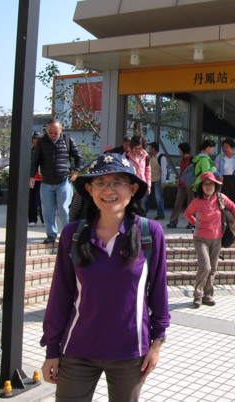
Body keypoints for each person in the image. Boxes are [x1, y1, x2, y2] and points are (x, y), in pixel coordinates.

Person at [40, 153, 170, 401]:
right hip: (77, 350)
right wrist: (52, 350)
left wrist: (157, 343)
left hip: (130, 352)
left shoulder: (149, 233)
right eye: (100, 182)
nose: (108, 190)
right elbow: (60, 295)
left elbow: (158, 292)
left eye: (117, 182)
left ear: (132, 188)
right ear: (89, 189)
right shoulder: (73, 234)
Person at [184, 172, 235, 308]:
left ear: (215, 185)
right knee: (205, 267)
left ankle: (208, 296)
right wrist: (196, 222)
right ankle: (198, 296)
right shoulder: (197, 202)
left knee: (213, 269)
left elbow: (233, 206)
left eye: (211, 184)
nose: (208, 186)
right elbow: (187, 214)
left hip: (217, 238)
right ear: (201, 187)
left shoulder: (220, 198)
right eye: (205, 184)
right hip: (200, 239)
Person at [30, 119, 83, 244]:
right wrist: (31, 176)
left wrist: (76, 171)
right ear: (46, 130)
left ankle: (68, 234)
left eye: (56, 132)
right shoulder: (41, 142)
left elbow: (79, 158)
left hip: (63, 180)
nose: (53, 135)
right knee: (47, 210)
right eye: (50, 132)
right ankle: (51, 235)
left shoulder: (68, 140)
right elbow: (34, 161)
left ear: (61, 130)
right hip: (46, 181)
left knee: (64, 209)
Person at [167, 142, 195, 229]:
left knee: (191, 204)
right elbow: (182, 172)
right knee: (177, 204)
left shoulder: (193, 160)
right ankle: (173, 222)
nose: (179, 151)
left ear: (183, 150)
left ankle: (192, 222)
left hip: (190, 185)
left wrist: (192, 183)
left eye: (180, 150)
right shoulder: (182, 160)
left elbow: (194, 173)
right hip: (181, 185)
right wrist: (179, 180)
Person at [124, 134, 151, 215]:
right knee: (131, 207)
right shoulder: (126, 155)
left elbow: (148, 171)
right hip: (129, 185)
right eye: (135, 148)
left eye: (140, 148)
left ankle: (139, 222)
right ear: (132, 146)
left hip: (141, 184)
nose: (137, 150)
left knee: (141, 208)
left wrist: (148, 186)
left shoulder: (146, 156)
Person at [214, 138, 235, 205]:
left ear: (232, 148)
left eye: (226, 147)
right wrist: (218, 175)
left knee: (234, 199)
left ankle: (232, 211)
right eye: (223, 147)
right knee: (223, 199)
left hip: (234, 180)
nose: (224, 149)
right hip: (223, 180)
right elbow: (214, 169)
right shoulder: (219, 157)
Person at [146, 141, 168, 220]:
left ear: (154, 149)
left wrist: (163, 182)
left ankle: (161, 214)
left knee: (159, 198)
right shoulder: (150, 157)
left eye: (150, 148)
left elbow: (164, 170)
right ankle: (143, 212)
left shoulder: (162, 157)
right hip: (150, 180)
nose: (149, 149)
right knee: (147, 198)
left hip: (158, 181)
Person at [28, 132, 44, 227]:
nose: (36, 140)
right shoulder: (29, 150)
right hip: (32, 177)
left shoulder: (45, 150)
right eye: (34, 138)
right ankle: (32, 219)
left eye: (38, 139)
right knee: (32, 199)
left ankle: (44, 219)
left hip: (43, 178)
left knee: (44, 200)